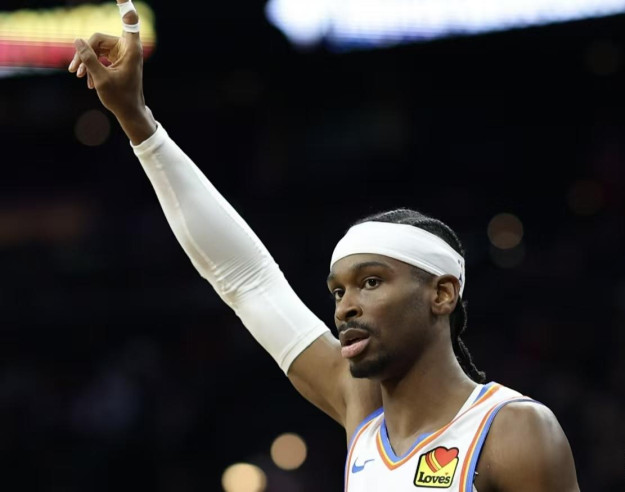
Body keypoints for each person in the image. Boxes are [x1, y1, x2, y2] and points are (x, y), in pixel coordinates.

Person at [68, 2, 580, 490]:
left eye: (371, 282)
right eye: (338, 291)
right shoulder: (362, 408)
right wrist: (136, 119)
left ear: (442, 294)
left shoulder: (513, 430)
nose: (345, 307)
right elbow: (245, 278)